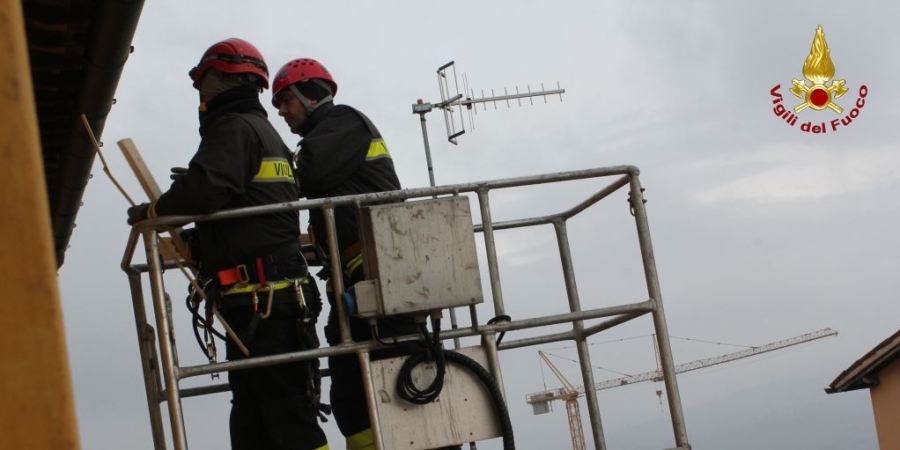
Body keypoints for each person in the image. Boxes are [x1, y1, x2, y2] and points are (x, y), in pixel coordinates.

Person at [126, 38, 328, 450]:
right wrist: (204, 242)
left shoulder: (233, 127)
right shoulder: (262, 132)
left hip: (265, 302)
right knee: (256, 424)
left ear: (215, 80)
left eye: (201, 87)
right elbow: (251, 211)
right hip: (262, 301)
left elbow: (205, 190)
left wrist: (154, 211)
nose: (200, 98)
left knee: (287, 420)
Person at [270, 57, 420, 450]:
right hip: (360, 283)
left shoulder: (344, 123)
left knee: (400, 382)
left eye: (285, 100)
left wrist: (251, 173)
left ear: (310, 95)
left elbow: (306, 174)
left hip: (386, 278)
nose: (281, 111)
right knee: (350, 392)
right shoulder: (329, 135)